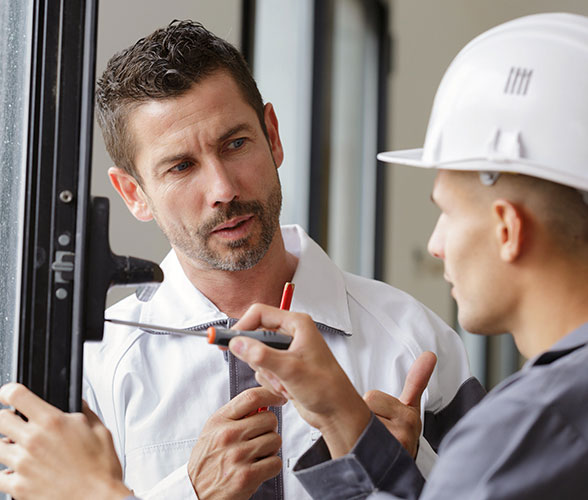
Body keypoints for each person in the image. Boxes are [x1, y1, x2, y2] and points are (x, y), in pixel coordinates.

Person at [82, 20, 483, 500]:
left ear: (272, 135)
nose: (223, 189)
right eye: (181, 166)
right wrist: (190, 493)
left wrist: (402, 467)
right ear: (133, 193)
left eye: (235, 144)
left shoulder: (414, 340)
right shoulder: (97, 368)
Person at [227, 12, 588, 499]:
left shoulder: (526, 430)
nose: (436, 245)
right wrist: (340, 415)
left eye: (446, 213)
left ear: (508, 228)